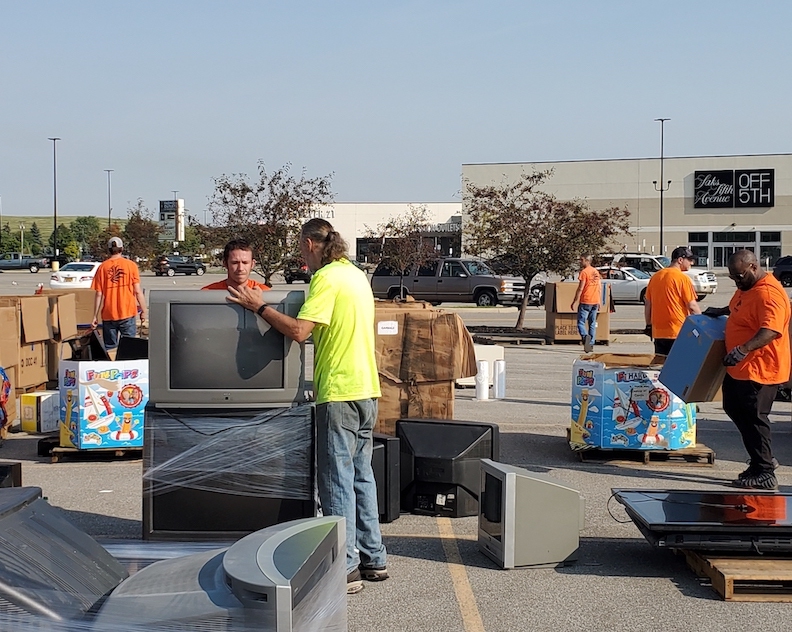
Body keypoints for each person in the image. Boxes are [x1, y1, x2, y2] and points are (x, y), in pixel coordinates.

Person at [226, 218, 387, 595]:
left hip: (339, 392)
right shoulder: (356, 275)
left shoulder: (326, 278)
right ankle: (374, 558)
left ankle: (345, 566)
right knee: (361, 475)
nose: (301, 255)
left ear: (311, 244)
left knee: (336, 480)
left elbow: (299, 331)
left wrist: (259, 306)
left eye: (301, 247)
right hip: (367, 389)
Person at [703, 250, 791, 490]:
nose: (736, 281)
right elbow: (741, 309)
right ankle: (761, 458)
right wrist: (722, 311)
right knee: (733, 407)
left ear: (753, 267)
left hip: (760, 369)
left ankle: (765, 472)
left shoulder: (768, 294)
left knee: (754, 418)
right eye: (733, 277)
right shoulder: (747, 288)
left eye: (739, 276)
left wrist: (743, 349)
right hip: (740, 369)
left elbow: (771, 330)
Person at [91, 237, 147, 351]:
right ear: (122, 249)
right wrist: (144, 310)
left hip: (109, 314)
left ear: (109, 250)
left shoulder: (102, 267)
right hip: (127, 312)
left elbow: (98, 294)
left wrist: (94, 316)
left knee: (110, 348)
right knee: (129, 348)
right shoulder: (131, 265)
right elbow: (137, 291)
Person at [643, 246, 701, 355]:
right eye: (690, 260)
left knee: (661, 363)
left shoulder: (655, 277)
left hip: (658, 332)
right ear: (680, 260)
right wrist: (702, 323)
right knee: (679, 363)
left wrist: (649, 325)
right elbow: (692, 306)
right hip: (677, 331)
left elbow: (648, 304)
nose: (692, 263)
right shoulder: (682, 278)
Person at [201, 238, 271, 291]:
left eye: (245, 262)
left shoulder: (264, 292)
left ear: (252, 264)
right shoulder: (208, 293)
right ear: (225, 264)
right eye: (235, 263)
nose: (240, 268)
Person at [570, 254, 602, 352]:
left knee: (581, 322)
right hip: (595, 301)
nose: (580, 262)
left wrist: (575, 301)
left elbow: (581, 288)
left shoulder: (584, 272)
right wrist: (599, 301)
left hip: (586, 300)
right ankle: (591, 343)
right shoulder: (595, 272)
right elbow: (599, 287)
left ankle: (585, 337)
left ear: (587, 261)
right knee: (592, 323)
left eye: (582, 260)